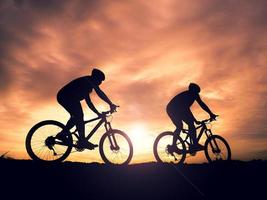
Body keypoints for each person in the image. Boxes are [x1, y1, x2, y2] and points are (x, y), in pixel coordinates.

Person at [56, 68, 117, 149]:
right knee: (79, 115)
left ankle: (63, 134)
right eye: (100, 80)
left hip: (68, 97)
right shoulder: (87, 81)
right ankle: (82, 140)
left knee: (76, 117)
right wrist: (110, 104)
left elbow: (89, 102)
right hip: (66, 96)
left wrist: (98, 112)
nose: (100, 83)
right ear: (95, 78)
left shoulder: (87, 85)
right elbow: (98, 93)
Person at [166, 83, 217, 152]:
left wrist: (211, 114)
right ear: (191, 90)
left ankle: (194, 144)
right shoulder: (186, 95)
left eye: (197, 93)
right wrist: (195, 120)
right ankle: (174, 146)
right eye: (196, 92)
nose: (196, 94)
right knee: (180, 126)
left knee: (191, 124)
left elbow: (202, 104)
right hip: (172, 109)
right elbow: (185, 109)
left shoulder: (195, 95)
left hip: (180, 109)